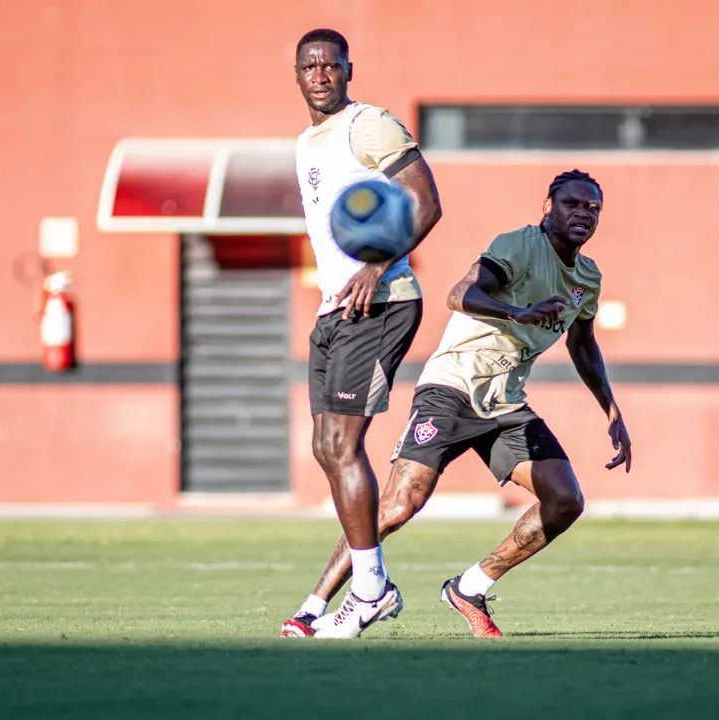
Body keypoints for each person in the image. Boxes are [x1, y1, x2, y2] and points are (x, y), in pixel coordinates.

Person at [286, 169, 632, 638]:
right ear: (548, 207)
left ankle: (470, 587)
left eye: (592, 209)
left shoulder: (587, 279)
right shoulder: (519, 245)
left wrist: (610, 409)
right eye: (572, 204)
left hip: (505, 403)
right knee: (398, 505)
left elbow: (583, 344)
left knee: (565, 500)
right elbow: (459, 294)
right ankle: (313, 607)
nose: (583, 215)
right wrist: (517, 312)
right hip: (451, 389)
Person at [282, 28, 443, 640]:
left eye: (330, 64)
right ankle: (370, 586)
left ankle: (371, 591)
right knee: (326, 448)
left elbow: (425, 200)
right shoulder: (305, 142)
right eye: (308, 66)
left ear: (349, 68)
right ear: (296, 75)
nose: (320, 74)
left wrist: (378, 266)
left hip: (384, 301)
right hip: (334, 311)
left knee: (344, 446)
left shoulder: (368, 124)